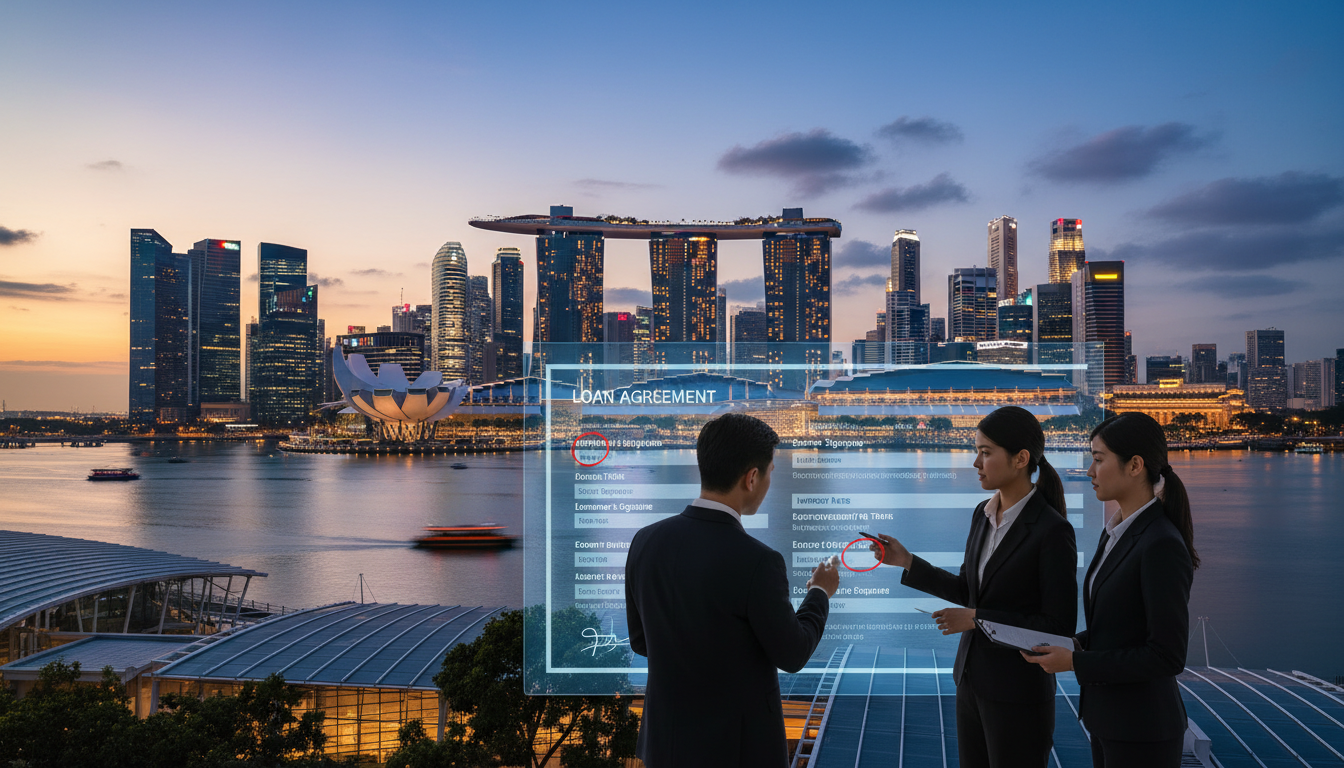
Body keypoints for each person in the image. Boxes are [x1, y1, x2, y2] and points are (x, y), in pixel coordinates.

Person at [625, 412, 838, 768]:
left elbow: (640, 641)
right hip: (737, 752)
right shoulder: (759, 561)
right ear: (751, 478)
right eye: (770, 472)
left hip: (665, 747)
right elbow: (793, 654)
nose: (769, 482)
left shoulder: (645, 541)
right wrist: (819, 591)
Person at [869, 405, 1077, 768]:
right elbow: (969, 591)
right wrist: (907, 561)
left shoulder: (1052, 531)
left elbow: (1057, 628)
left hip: (1018, 694)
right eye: (976, 451)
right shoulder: (982, 513)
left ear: (1020, 459)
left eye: (985, 452)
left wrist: (977, 620)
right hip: (970, 683)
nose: (976, 462)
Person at [1024, 412, 1196, 768]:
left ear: (1135, 465)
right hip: (1109, 721)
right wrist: (1074, 644)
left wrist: (1075, 662)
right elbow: (1120, 627)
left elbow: (1167, 655)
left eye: (1099, 460)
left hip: (1143, 729)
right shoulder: (1117, 532)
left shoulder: (1160, 543)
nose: (1090, 471)